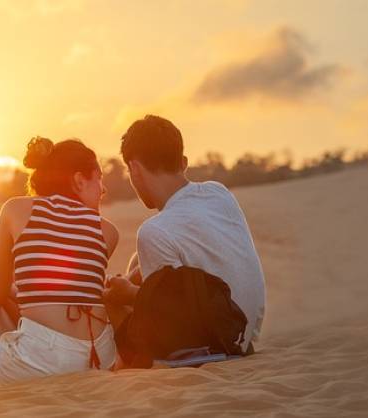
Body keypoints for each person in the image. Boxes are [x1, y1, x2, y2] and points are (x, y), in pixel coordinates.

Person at [0, 137, 120, 390]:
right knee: (10, 322)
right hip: (98, 361)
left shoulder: (15, 209)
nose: (103, 189)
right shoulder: (108, 232)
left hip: (46, 364)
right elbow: (59, 294)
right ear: (78, 180)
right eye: (99, 179)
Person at [103, 115, 266, 366]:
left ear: (134, 169)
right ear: (183, 162)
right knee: (139, 261)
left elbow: (165, 308)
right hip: (243, 333)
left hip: (215, 343)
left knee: (111, 302)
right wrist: (132, 280)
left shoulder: (154, 231)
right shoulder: (219, 193)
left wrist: (126, 294)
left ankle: (123, 366)